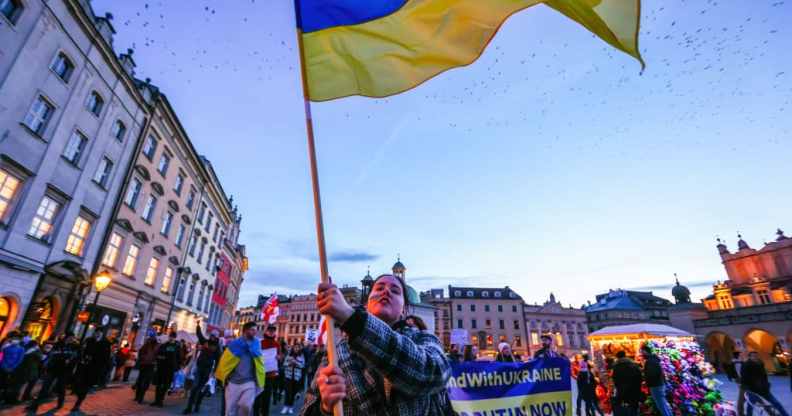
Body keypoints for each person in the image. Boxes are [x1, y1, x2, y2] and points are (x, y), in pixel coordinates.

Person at [301, 274, 452, 415]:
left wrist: (352, 319)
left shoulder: (423, 339)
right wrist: (326, 407)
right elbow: (307, 409)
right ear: (367, 305)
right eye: (379, 288)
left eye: (395, 290)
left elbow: (435, 373)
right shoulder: (336, 353)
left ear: (404, 310)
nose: (386, 291)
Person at [215, 321, 266, 416]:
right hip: (234, 381)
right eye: (252, 330)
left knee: (246, 405)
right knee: (230, 410)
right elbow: (225, 361)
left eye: (255, 330)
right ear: (245, 330)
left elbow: (260, 361)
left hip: (250, 381)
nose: (255, 332)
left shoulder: (257, 344)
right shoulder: (234, 344)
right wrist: (225, 376)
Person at [740, 351, 789, 416]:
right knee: (750, 405)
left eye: (756, 356)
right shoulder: (746, 365)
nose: (755, 357)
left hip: (763, 389)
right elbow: (744, 377)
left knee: (776, 403)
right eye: (753, 356)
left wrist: (767, 384)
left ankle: (785, 414)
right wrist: (746, 388)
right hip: (752, 390)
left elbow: (764, 375)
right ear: (750, 357)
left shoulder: (760, 363)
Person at [183, 337, 220, 414]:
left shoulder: (217, 352)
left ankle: (197, 405)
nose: (212, 347)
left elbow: (218, 363)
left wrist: (214, 373)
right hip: (199, 371)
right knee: (194, 387)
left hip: (207, 373)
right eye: (211, 345)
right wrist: (198, 325)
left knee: (201, 390)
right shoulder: (204, 349)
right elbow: (199, 335)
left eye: (214, 346)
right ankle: (189, 408)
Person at [254, 324, 280, 416]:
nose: (271, 332)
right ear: (266, 331)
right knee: (258, 395)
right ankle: (256, 413)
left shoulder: (277, 344)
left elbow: (280, 356)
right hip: (260, 373)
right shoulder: (260, 343)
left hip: (271, 374)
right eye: (270, 330)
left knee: (267, 396)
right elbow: (255, 355)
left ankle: (265, 413)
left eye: (273, 330)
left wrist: (279, 357)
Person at [152, 331, 182, 407]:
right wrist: (159, 360)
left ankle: (160, 401)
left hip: (170, 369)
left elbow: (179, 358)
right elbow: (158, 354)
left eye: (172, 336)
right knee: (159, 384)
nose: (171, 338)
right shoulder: (164, 345)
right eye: (170, 336)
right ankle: (156, 400)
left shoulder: (177, 346)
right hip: (161, 367)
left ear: (175, 337)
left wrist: (177, 367)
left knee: (165, 385)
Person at [641, 345, 671, 416]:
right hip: (659, 384)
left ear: (645, 352)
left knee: (661, 404)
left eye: (642, 352)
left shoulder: (650, 361)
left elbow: (652, 374)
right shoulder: (653, 360)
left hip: (656, 385)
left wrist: (645, 378)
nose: (642, 354)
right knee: (662, 403)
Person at [611, 351, 643, 416]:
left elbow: (615, 379)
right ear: (625, 355)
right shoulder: (633, 364)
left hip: (623, 390)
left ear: (617, 357)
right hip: (634, 389)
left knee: (625, 407)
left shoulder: (616, 366)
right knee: (634, 406)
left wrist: (618, 388)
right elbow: (639, 376)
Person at [134, 330, 160, 403]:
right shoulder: (147, 344)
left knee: (145, 381)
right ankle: (138, 396)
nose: (151, 338)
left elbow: (157, 355)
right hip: (145, 364)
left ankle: (140, 397)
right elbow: (141, 352)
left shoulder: (157, 345)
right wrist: (142, 358)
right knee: (141, 380)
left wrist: (155, 361)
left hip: (151, 365)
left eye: (153, 337)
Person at [0, 331, 25, 404]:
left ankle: (3, 398)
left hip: (11, 369)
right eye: (13, 338)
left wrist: (12, 368)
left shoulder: (21, 349)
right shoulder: (6, 347)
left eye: (17, 338)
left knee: (6, 385)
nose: (15, 339)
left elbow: (19, 360)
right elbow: (1, 356)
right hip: (2, 367)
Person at [282, 344, 305, 414]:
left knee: (293, 392)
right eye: (295, 347)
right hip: (288, 376)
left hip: (296, 377)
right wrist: (289, 363)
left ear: (299, 349)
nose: (296, 349)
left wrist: (296, 363)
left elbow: (303, 365)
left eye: (298, 347)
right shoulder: (289, 355)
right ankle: (285, 406)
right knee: (288, 392)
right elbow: (284, 364)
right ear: (293, 348)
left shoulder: (301, 356)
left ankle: (290, 407)